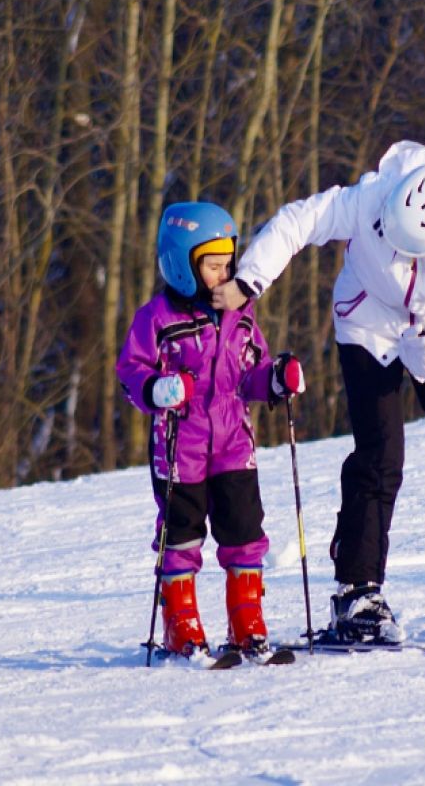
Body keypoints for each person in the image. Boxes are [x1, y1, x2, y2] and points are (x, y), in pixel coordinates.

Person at [211, 141, 425, 643]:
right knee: (381, 454)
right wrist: (248, 281)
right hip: (367, 322)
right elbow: (298, 221)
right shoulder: (372, 198)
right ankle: (356, 593)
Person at [117, 201, 306, 658]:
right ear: (181, 266)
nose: (225, 276)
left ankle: (247, 621)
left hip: (234, 443)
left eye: (228, 265)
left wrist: (276, 378)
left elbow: (250, 373)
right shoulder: (156, 319)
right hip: (180, 447)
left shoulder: (239, 315)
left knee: (244, 529)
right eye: (213, 266)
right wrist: (156, 389)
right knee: (181, 533)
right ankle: (181, 624)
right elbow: (130, 372)